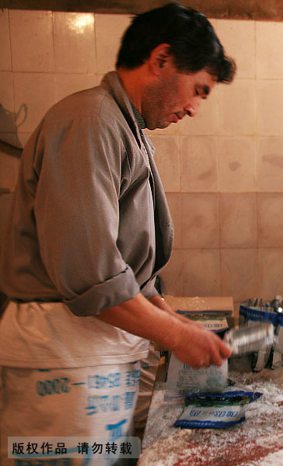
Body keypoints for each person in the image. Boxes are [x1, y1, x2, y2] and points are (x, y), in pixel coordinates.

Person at [0, 3, 234, 463]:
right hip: (62, 357)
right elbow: (91, 275)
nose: (194, 109)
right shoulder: (91, 121)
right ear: (161, 59)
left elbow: (129, 270)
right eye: (198, 90)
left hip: (93, 354)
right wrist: (175, 336)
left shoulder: (125, 128)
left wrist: (173, 320)